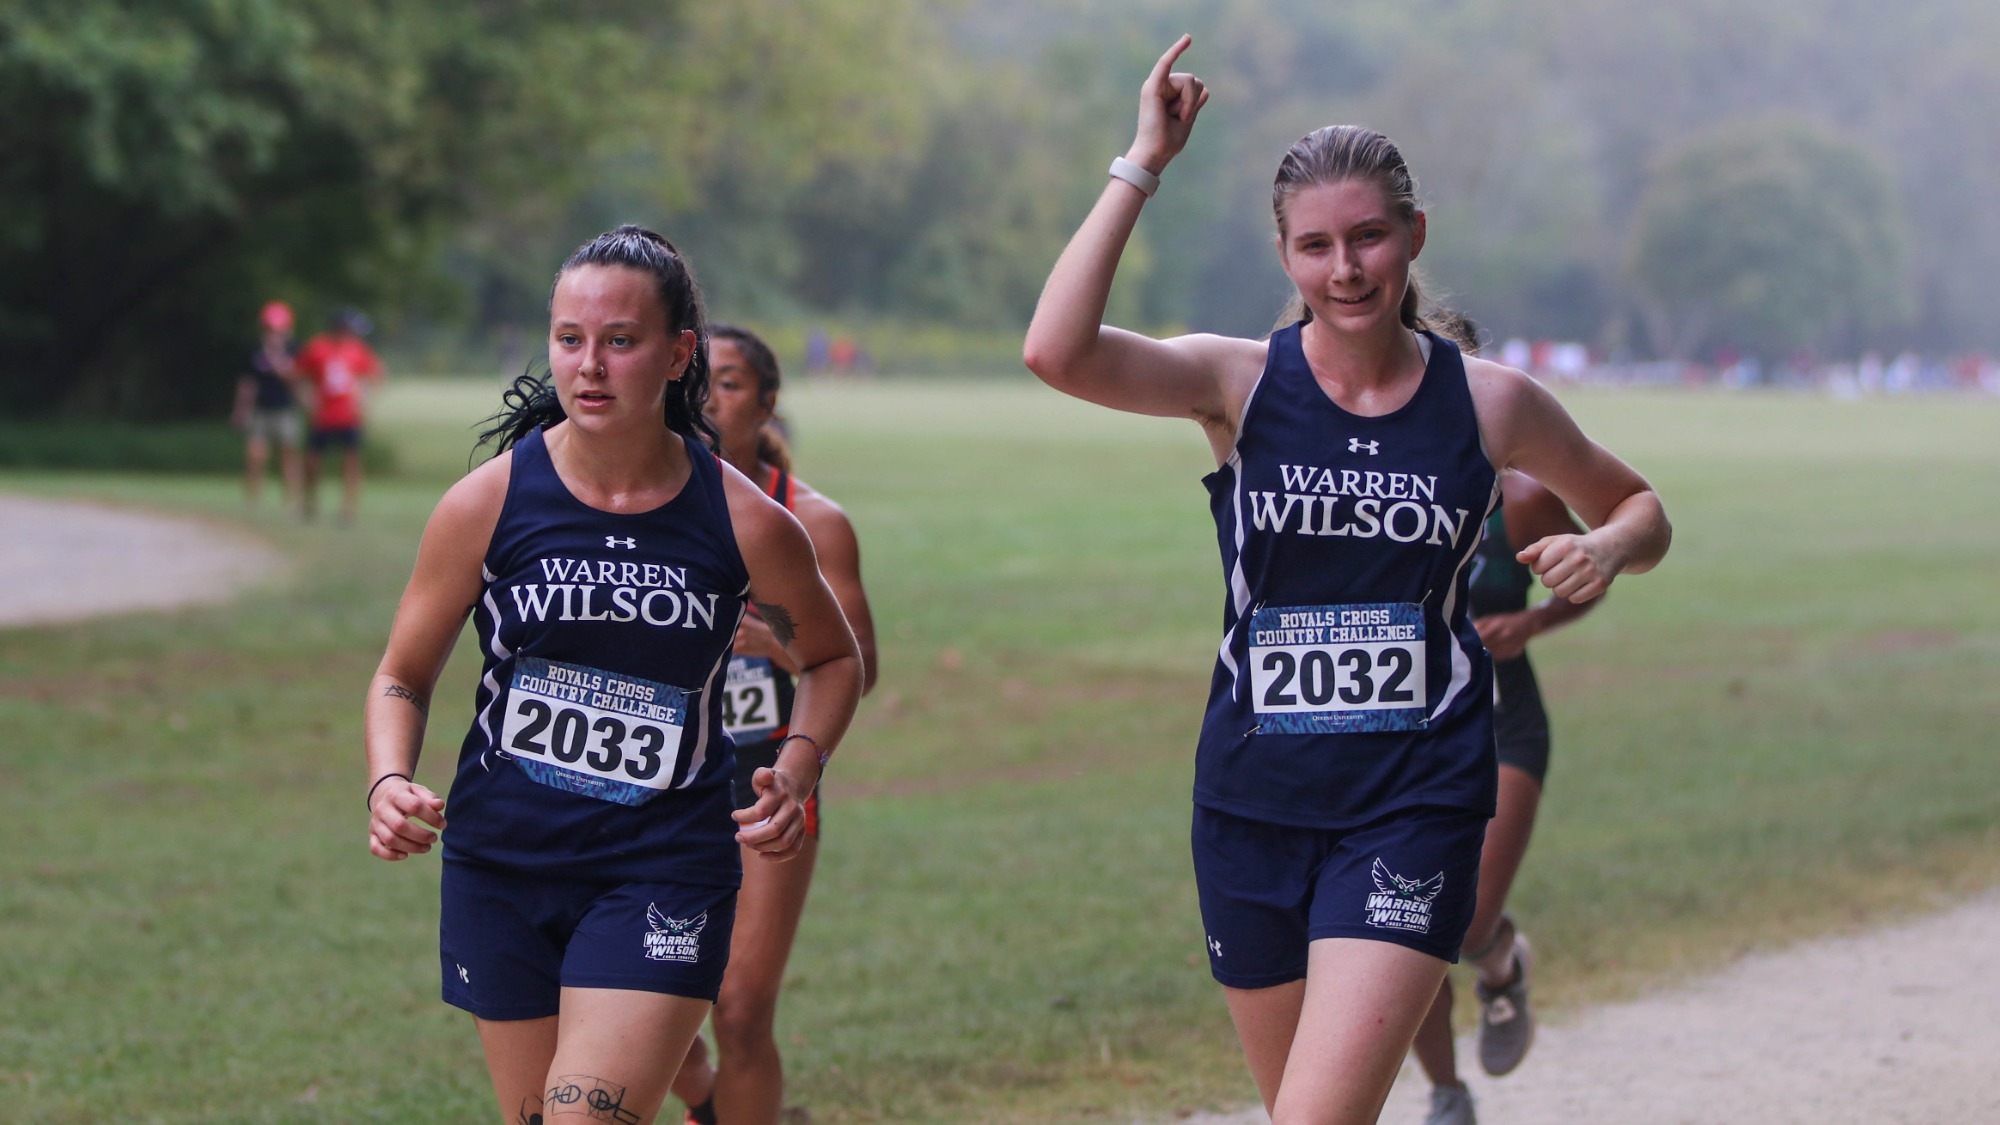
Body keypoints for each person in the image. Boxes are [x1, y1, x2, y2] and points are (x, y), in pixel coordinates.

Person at [1020, 36, 1670, 1125]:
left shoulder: (1490, 402)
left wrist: (1602, 550)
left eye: (1368, 236)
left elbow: (1640, 508)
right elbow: (1056, 351)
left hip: (1414, 798)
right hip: (1250, 800)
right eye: (1315, 245)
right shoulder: (1236, 383)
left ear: (1414, 235)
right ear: (1284, 255)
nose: (1347, 269)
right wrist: (1142, 165)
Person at [364, 225, 864, 1125]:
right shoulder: (486, 504)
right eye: (570, 339)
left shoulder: (746, 520)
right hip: (501, 866)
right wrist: (388, 777)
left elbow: (834, 657)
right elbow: (402, 674)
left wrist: (796, 767)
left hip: (661, 868)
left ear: (678, 355)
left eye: (620, 340)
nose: (589, 365)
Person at [668, 324, 879, 1125]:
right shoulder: (649, 506)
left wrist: (775, 644)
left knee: (742, 1008)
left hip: (767, 782)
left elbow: (859, 663)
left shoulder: (812, 521)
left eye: (728, 383)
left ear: (765, 403)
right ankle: (709, 1099)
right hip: (660, 780)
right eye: (699, 382)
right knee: (641, 997)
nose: (709, 400)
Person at [1408, 470, 1598, 1125]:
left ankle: (1501, 966)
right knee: (1401, 922)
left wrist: (1532, 619)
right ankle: (1447, 1094)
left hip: (1500, 722)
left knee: (1465, 922)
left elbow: (1590, 575)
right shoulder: (1364, 486)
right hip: (1400, 732)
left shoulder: (1521, 500)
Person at [296, 307, 384, 523]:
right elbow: (298, 375)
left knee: (351, 462)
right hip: (323, 416)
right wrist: (307, 401)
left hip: (349, 417)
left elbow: (376, 375)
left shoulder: (357, 349)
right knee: (312, 461)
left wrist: (363, 401)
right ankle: (310, 502)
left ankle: (348, 508)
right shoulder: (317, 348)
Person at [232, 300, 305, 510]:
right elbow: (248, 383)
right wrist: (241, 409)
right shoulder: (255, 351)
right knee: (255, 455)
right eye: (269, 329)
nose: (273, 334)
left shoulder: (294, 351)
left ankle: (293, 500)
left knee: (288, 456)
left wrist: (277, 360)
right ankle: (252, 499)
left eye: (278, 330)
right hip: (260, 410)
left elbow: (295, 380)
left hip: (285, 410)